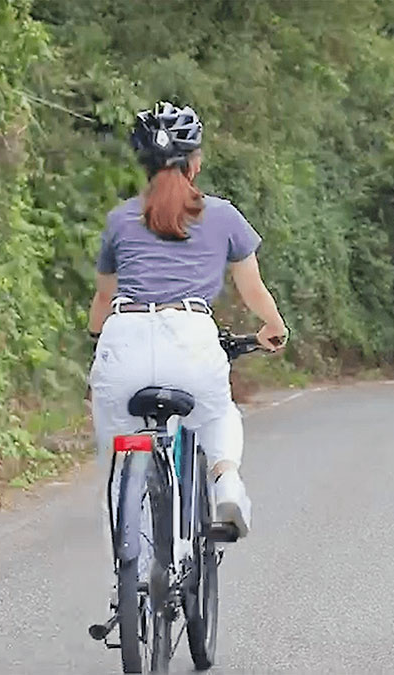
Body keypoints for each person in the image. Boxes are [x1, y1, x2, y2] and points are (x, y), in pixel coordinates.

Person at [88, 102, 288, 539]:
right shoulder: (223, 215)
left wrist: (95, 335)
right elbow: (252, 289)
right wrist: (274, 326)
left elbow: (104, 297)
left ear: (143, 164)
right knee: (217, 416)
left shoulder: (119, 219)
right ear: (195, 163)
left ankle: (135, 584)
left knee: (121, 458)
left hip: (125, 338)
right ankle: (226, 482)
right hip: (192, 338)